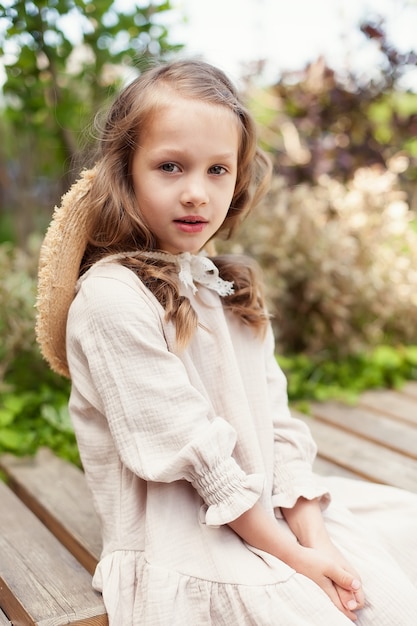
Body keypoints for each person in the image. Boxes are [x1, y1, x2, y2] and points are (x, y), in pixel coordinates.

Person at [36, 58, 417, 626]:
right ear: (126, 172)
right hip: (186, 543)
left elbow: (279, 426)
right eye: (170, 166)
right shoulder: (111, 300)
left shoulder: (227, 288)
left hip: (271, 513)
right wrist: (295, 558)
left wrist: (316, 541)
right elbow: (199, 459)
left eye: (218, 169)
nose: (196, 193)